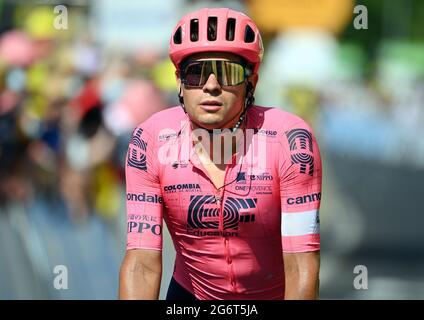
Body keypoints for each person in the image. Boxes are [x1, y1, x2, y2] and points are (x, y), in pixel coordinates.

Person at [119, 7, 322, 300]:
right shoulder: (150, 140)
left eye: (227, 73)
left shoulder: (290, 140)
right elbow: (141, 264)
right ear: (179, 83)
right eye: (196, 73)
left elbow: (301, 265)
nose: (211, 86)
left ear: (251, 83)